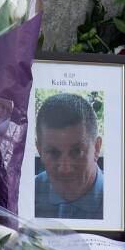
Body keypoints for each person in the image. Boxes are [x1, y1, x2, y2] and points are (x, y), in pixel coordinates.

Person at [34, 92, 103, 220]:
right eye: (53, 152)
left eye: (77, 151)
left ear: (97, 148)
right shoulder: (26, 195)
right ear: (39, 151)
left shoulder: (119, 201)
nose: (65, 169)